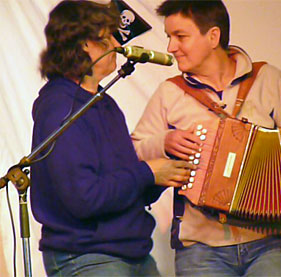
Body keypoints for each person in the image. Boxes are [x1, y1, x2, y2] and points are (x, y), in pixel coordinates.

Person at [131, 0, 281, 276]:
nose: (171, 48)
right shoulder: (170, 93)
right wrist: (164, 142)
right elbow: (132, 152)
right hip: (200, 250)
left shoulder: (267, 79)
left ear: (213, 36)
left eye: (180, 37)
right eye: (169, 37)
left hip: (270, 242)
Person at [30, 1, 195, 276]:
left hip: (130, 253)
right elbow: (85, 199)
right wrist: (147, 173)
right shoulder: (61, 106)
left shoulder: (104, 104)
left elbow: (122, 186)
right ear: (84, 44)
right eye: (107, 37)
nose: (117, 44)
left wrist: (166, 172)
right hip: (88, 256)